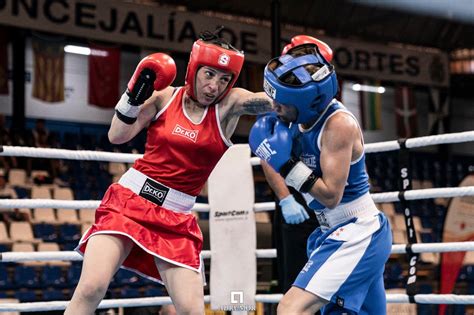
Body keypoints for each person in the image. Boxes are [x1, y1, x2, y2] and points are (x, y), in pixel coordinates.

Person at [65, 29, 272, 315]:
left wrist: (300, 89)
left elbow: (270, 102)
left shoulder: (229, 105)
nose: (214, 86)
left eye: (224, 79)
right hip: (130, 202)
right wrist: (133, 95)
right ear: (194, 69)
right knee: (91, 287)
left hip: (176, 218)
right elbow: (116, 135)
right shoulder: (164, 98)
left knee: (191, 310)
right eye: (209, 75)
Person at [249, 39, 392, 314]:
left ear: (307, 102)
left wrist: (288, 165)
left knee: (290, 309)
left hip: (356, 231)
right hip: (332, 230)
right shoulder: (292, 113)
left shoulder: (338, 125)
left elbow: (330, 196)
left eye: (281, 104)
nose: (275, 108)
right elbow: (269, 145)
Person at [262, 35, 331, 295]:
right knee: (296, 284)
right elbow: (268, 153)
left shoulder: (326, 106)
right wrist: (285, 198)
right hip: (297, 202)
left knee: (329, 287)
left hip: (327, 200)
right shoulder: (282, 104)